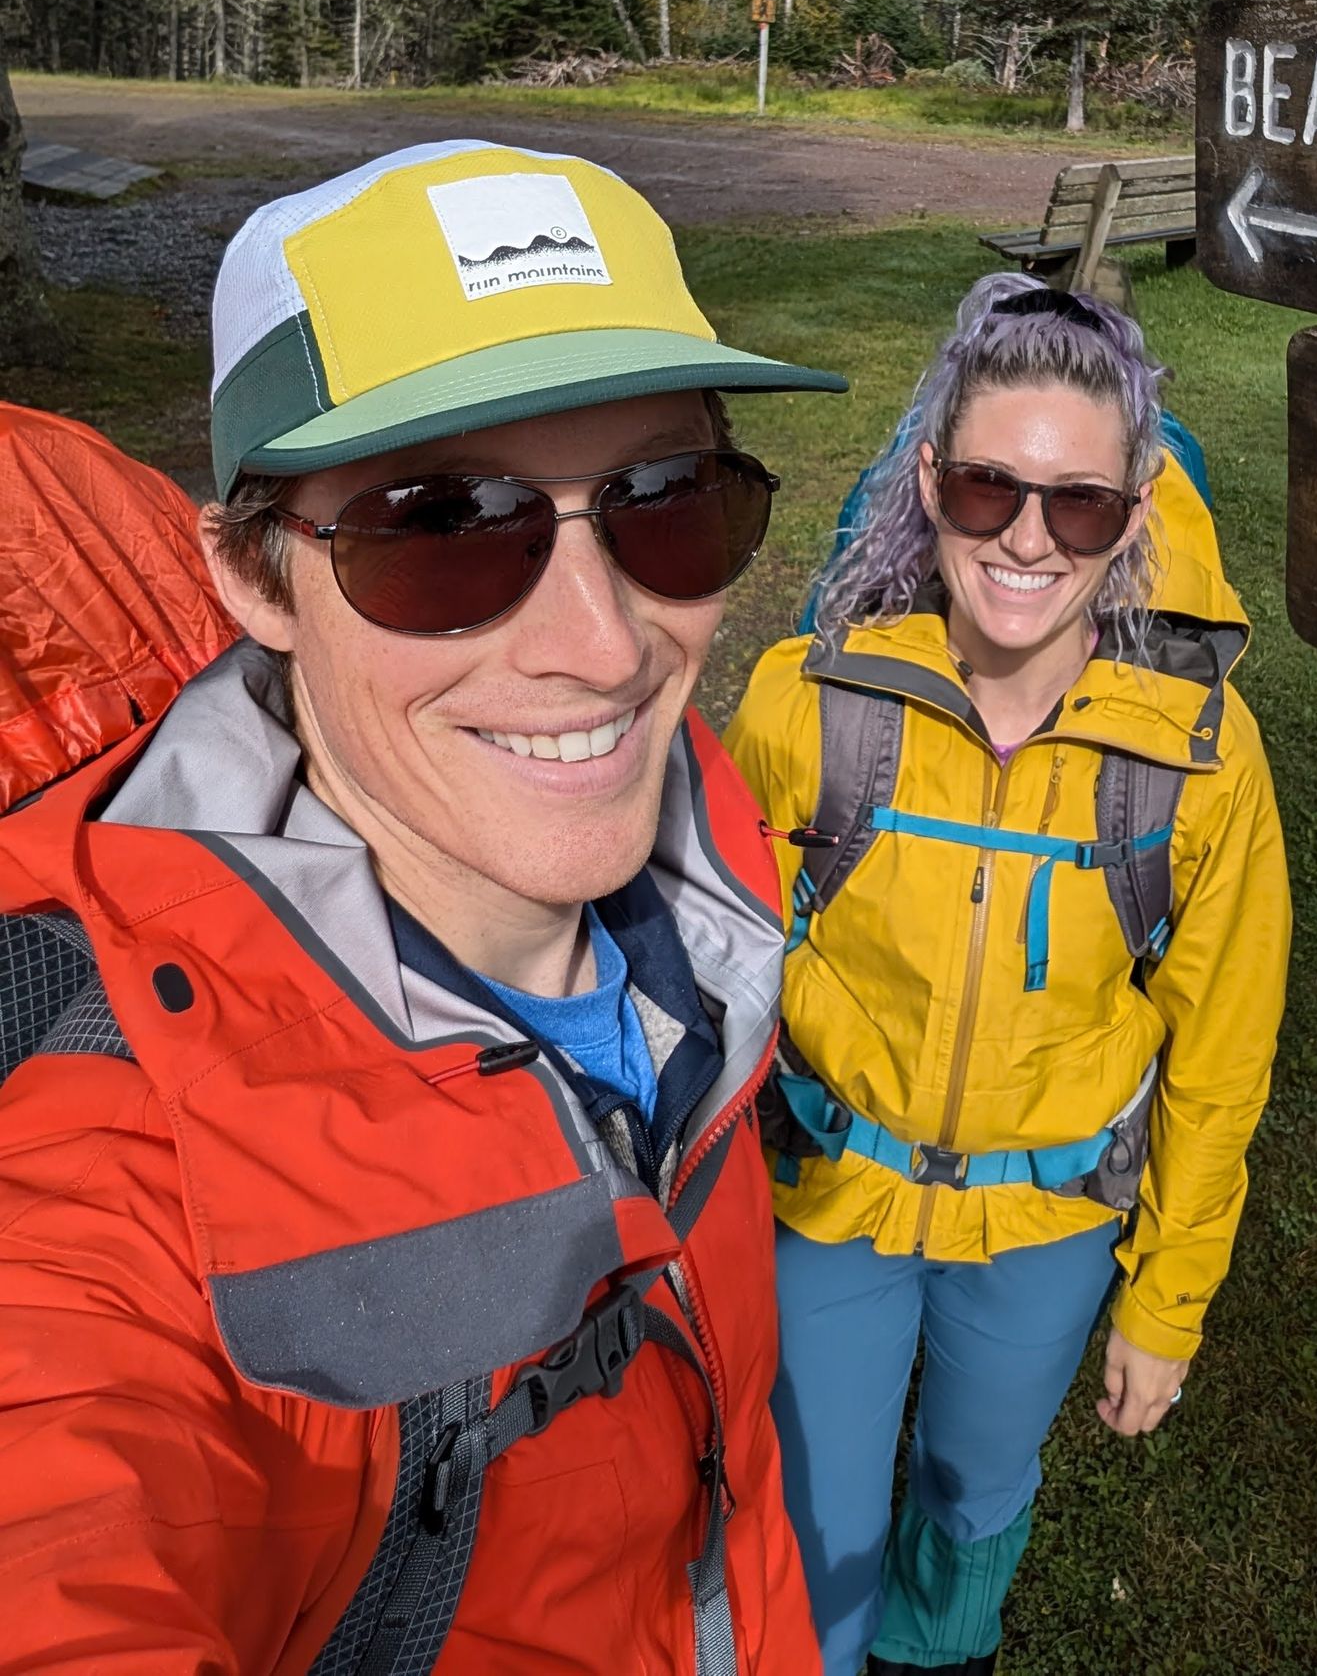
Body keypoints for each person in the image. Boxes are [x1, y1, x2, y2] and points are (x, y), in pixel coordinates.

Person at [0, 139, 843, 1674]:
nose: (600, 645)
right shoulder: (106, 1173)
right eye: (445, 525)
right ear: (253, 580)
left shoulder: (708, 877)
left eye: (666, 501)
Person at [727, 273, 1291, 1676]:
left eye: (1079, 505)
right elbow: (706, 968)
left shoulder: (1201, 767)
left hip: (1045, 1242)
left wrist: (1164, 1305)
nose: (1029, 539)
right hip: (824, 1210)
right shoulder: (806, 702)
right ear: (930, 484)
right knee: (816, 1520)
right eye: (989, 490)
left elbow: (1219, 1065)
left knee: (975, 1504)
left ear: (1136, 516)